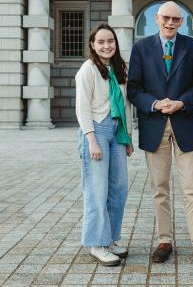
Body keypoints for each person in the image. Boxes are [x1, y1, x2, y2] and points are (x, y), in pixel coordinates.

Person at [127, 1, 193, 268]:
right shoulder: (141, 48)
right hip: (154, 125)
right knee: (160, 190)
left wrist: (181, 103)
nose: (170, 23)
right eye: (166, 18)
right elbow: (134, 88)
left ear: (181, 22)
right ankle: (164, 241)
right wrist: (155, 104)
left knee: (192, 189)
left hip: (184, 123)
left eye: (175, 19)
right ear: (157, 18)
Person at [75, 23, 133, 266]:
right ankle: (96, 245)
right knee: (97, 190)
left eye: (110, 41)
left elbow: (126, 105)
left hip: (117, 131)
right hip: (96, 131)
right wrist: (91, 140)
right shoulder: (87, 70)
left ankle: (109, 239)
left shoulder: (119, 68)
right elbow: (82, 107)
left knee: (118, 189)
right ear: (92, 44)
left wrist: (128, 137)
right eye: (101, 42)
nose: (106, 45)